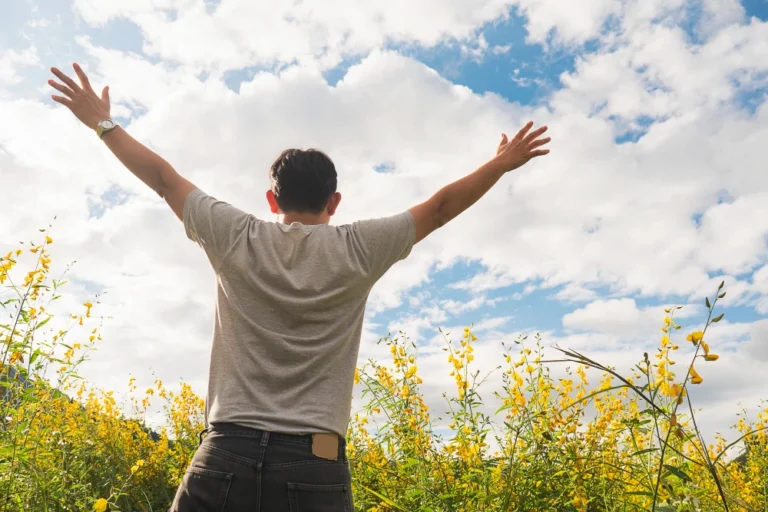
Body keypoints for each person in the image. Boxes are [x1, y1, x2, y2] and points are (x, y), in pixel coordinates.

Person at [48, 63, 550, 511]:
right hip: (315, 463)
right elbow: (439, 209)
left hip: (225, 452)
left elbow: (162, 177)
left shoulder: (235, 235)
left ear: (272, 198)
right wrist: (499, 165)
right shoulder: (360, 248)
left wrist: (102, 121)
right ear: (334, 201)